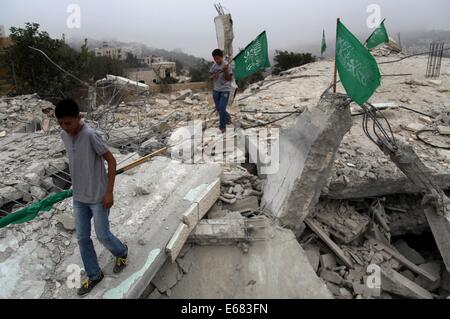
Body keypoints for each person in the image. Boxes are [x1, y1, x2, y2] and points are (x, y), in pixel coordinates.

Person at [55, 99, 128, 296]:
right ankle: (94, 275)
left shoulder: (90, 135)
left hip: (97, 196)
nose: (64, 127)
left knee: (103, 235)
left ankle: (121, 252)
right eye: (60, 123)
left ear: (78, 118)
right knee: (82, 238)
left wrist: (109, 191)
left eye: (68, 123)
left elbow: (111, 161)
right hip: (79, 197)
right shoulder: (64, 135)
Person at [209, 48, 233, 133]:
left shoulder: (227, 65)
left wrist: (225, 71)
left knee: (222, 107)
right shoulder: (214, 66)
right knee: (218, 108)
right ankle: (228, 118)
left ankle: (222, 127)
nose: (216, 60)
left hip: (225, 90)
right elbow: (210, 76)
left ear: (222, 57)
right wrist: (213, 76)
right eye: (215, 59)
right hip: (216, 90)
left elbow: (229, 79)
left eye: (218, 58)